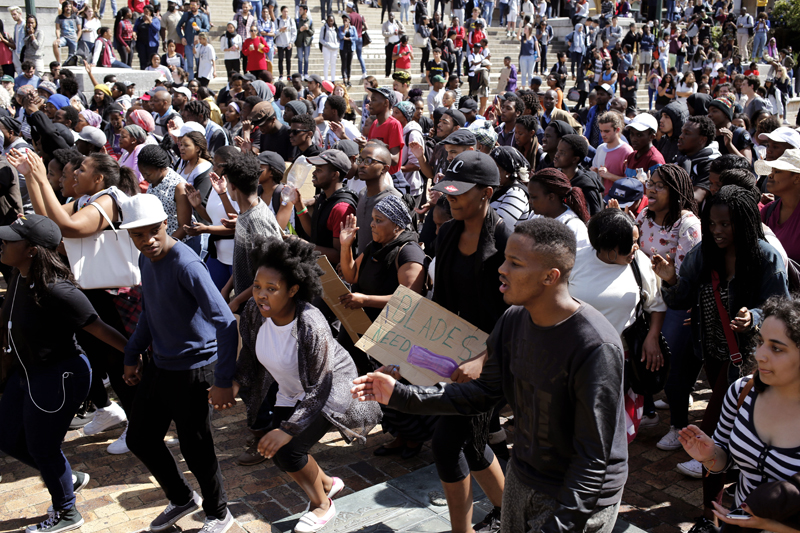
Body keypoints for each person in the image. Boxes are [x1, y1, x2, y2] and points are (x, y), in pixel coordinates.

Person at [352, 216, 629, 533]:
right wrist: (401, 395)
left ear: (550, 277)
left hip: (577, 497)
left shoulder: (595, 346)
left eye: (515, 263)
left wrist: (562, 524)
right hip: (524, 476)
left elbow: (594, 460)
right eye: (505, 259)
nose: (502, 269)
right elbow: (480, 394)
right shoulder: (513, 320)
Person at [653, 185, 789, 533]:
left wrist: (754, 318)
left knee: (715, 433)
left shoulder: (766, 256)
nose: (717, 231)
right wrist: (670, 279)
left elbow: (780, 310)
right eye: (712, 223)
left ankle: (713, 515)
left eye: (725, 224)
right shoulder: (704, 252)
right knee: (726, 436)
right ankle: (719, 513)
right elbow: (682, 297)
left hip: (750, 360)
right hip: (710, 352)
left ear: (743, 222)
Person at [232, 236, 382, 531]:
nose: (261, 295)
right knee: (274, 448)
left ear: (293, 290)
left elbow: (320, 388)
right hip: (292, 389)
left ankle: (322, 505)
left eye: (271, 289)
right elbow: (249, 359)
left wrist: (287, 430)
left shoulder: (310, 323)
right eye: (258, 286)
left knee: (289, 449)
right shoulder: (254, 313)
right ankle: (328, 483)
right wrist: (233, 385)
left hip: (329, 391)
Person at [0, 214, 130, 533]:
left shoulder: (59, 291)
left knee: (43, 446)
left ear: (31, 249)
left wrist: (134, 357)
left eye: (10, 239)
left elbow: (99, 328)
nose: (2, 243)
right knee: (6, 435)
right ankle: (66, 478)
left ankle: (67, 512)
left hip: (58, 376)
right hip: (26, 373)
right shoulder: (19, 275)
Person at [118, 194, 238, 533]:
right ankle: (182, 498)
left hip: (194, 370)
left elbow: (226, 322)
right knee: (140, 438)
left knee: (196, 446)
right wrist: (132, 352)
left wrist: (224, 378)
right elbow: (150, 312)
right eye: (138, 236)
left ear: (166, 224)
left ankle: (218, 513)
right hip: (160, 364)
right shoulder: (145, 260)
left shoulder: (186, 264)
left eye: (153, 231)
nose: (148, 241)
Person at [678, 295, 800, 532]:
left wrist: (770, 525)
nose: (759, 355)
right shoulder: (742, 391)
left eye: (776, 348)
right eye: (760, 342)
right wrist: (710, 455)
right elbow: (725, 462)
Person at [569, 208, 667, 441]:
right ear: (607, 248)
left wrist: (652, 337)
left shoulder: (639, 263)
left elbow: (656, 305)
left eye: (636, 240)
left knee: (614, 430)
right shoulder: (574, 260)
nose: (635, 247)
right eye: (629, 244)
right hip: (576, 358)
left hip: (620, 360)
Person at [756, 149, 800, 264]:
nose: (770, 175)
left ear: (797, 178)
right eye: (772, 171)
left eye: (778, 171)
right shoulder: (768, 211)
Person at [553, 134, 603, 215]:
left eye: (562, 153)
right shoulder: (556, 177)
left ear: (575, 159)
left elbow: (595, 218)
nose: (556, 155)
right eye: (557, 150)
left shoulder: (586, 187)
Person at [591, 111, 634, 195]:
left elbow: (631, 182)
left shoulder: (627, 151)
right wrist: (593, 171)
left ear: (617, 130)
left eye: (607, 131)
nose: (603, 134)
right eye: (601, 131)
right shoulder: (600, 148)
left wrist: (609, 175)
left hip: (618, 200)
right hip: (601, 199)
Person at [489, 145, 530, 226]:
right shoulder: (498, 188)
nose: (489, 170)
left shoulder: (516, 195)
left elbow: (497, 228)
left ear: (507, 172)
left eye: (494, 167)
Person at [177, 0, 211, 81]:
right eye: (191, 5)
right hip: (188, 43)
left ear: (198, 6)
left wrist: (199, 29)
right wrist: (182, 37)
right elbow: (178, 26)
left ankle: (199, 81)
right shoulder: (186, 15)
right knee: (190, 65)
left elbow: (207, 29)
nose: (192, 7)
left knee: (199, 64)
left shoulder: (203, 16)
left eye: (194, 5)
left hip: (199, 44)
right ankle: (191, 81)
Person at [133, 5, 161, 70]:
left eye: (147, 11)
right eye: (144, 11)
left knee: (150, 60)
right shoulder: (139, 20)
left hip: (152, 44)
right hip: (141, 43)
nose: (145, 13)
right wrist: (134, 33)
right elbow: (135, 28)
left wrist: (150, 21)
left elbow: (157, 29)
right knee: (142, 60)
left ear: (151, 12)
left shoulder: (156, 20)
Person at [275, 5, 297, 80]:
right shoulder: (277, 20)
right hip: (280, 43)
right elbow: (274, 32)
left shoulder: (291, 20)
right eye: (284, 11)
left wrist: (291, 42)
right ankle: (281, 74)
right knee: (280, 59)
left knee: (288, 59)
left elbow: (294, 32)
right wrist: (280, 30)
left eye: (287, 11)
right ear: (281, 12)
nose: (286, 13)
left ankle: (288, 74)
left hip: (288, 43)